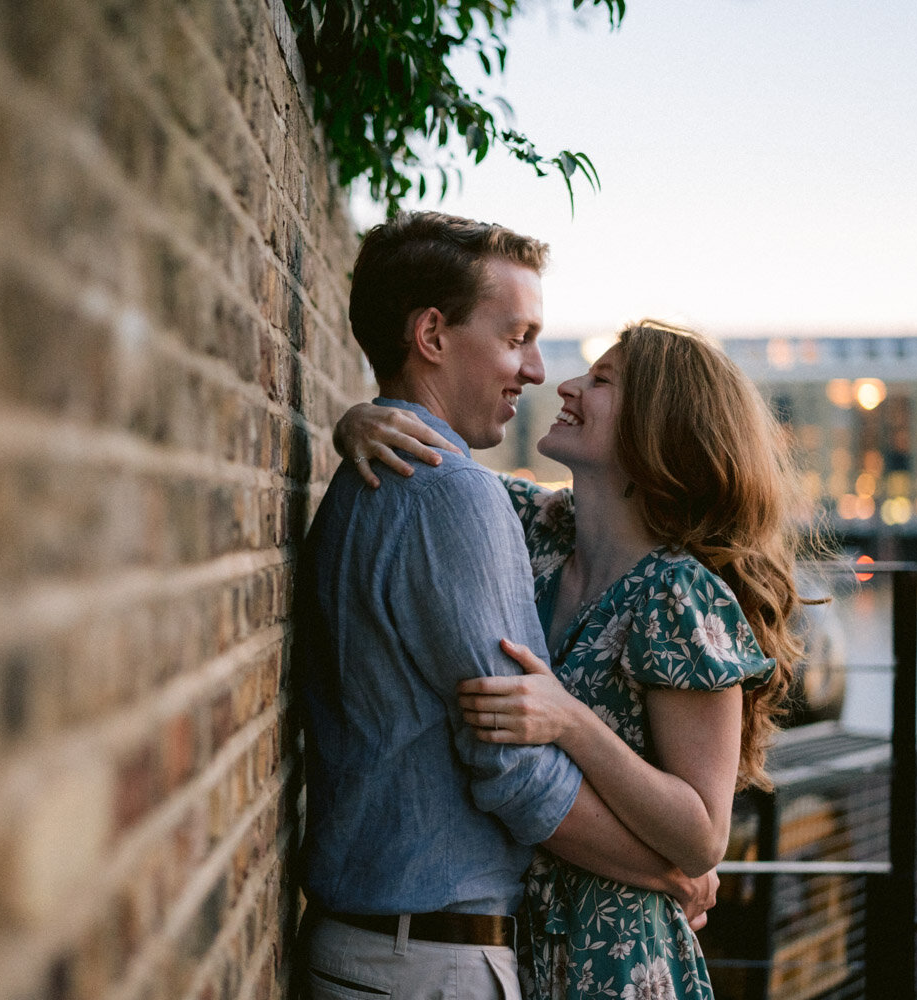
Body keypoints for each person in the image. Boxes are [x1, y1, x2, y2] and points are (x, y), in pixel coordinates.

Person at [293, 214, 717, 1000]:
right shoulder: (454, 493)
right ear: (431, 335)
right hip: (424, 960)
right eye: (518, 335)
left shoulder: (401, 477)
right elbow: (518, 772)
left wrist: (358, 415)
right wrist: (666, 873)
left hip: (386, 950)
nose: (538, 369)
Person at [335, 320, 806, 999]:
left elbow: (702, 835)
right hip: (508, 942)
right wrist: (356, 423)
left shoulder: (679, 596)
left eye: (603, 381)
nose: (569, 385)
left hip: (615, 960)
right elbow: (426, 465)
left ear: (659, 426)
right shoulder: (533, 528)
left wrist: (570, 721)